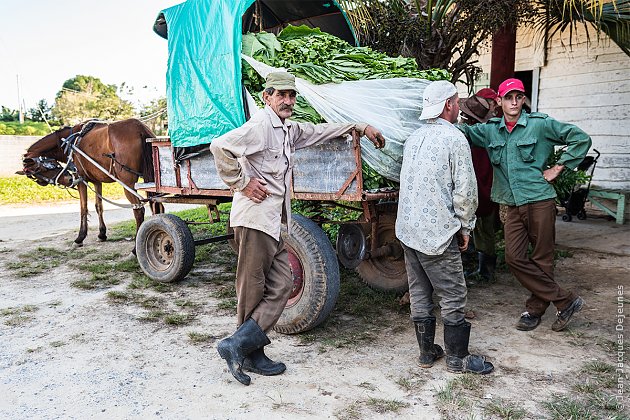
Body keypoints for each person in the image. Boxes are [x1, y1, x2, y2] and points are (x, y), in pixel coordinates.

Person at [210, 71, 386, 385]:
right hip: (254, 220)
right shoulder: (261, 126)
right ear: (267, 97)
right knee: (252, 289)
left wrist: (360, 127)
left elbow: (320, 131)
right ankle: (249, 353)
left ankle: (238, 345)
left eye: (291, 96)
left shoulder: (287, 130)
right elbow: (220, 147)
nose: (288, 101)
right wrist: (243, 182)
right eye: (281, 95)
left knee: (281, 284)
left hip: (273, 222)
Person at [459, 78, 591, 332]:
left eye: (518, 97)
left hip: (539, 199)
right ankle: (565, 300)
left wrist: (558, 167)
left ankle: (534, 310)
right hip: (510, 203)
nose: (514, 102)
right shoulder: (490, 130)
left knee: (542, 257)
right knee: (513, 257)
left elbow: (579, 138)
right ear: (499, 101)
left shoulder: (539, 126)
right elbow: (462, 133)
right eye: (508, 97)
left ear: (523, 99)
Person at [396, 80, 494, 375]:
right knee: (452, 294)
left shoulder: (414, 138)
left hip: (408, 230)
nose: (459, 107)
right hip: (436, 233)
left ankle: (427, 353)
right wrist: (466, 228)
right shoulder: (455, 139)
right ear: (449, 105)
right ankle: (457, 358)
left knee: (420, 291)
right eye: (457, 102)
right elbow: (465, 191)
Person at [459, 89, 501, 283]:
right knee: (482, 229)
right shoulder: (484, 131)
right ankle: (481, 267)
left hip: (482, 187)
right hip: (484, 186)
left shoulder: (477, 135)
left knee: (484, 230)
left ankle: (486, 272)